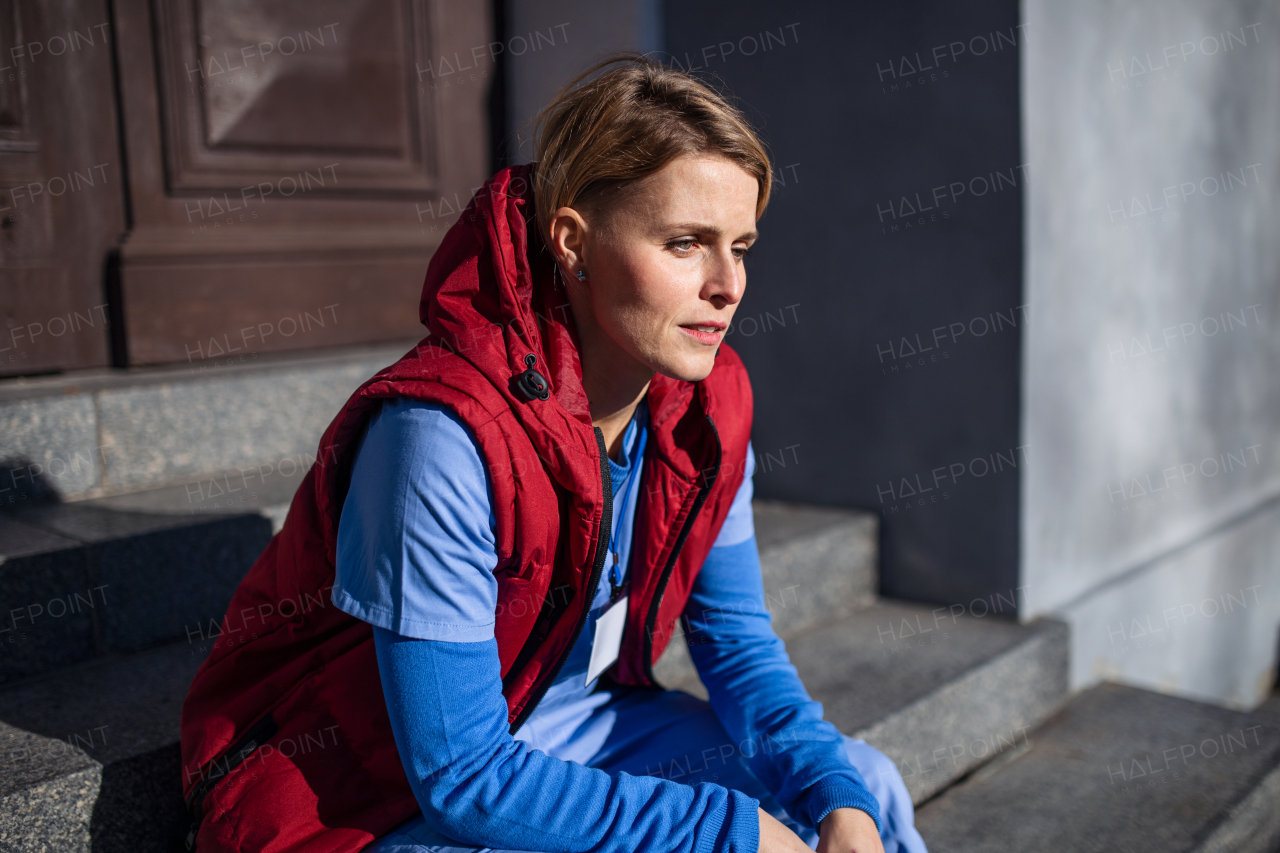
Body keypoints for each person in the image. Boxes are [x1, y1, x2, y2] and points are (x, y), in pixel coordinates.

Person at [179, 54, 928, 853]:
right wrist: (723, 829)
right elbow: (461, 778)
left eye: (739, 246)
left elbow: (738, 642)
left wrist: (833, 792)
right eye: (685, 243)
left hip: (564, 717)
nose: (728, 284)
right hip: (361, 784)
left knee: (862, 789)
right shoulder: (439, 438)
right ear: (573, 241)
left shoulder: (710, 404)